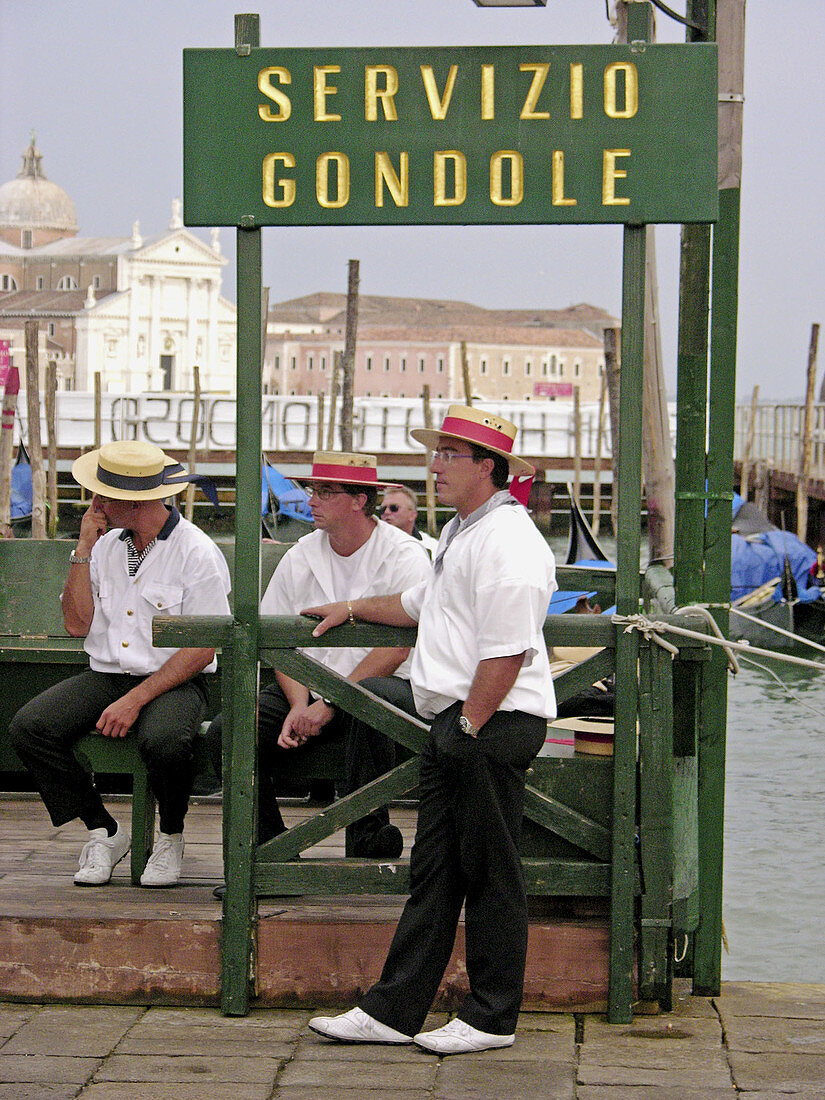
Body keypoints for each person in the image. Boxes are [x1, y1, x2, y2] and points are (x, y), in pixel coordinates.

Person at [304, 405, 557, 1056]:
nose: (434, 465)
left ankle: (492, 1016)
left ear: (488, 468)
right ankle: (393, 1009)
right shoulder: (463, 533)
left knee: (490, 873)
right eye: (436, 452)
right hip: (461, 719)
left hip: (490, 722)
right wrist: (353, 606)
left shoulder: (507, 540)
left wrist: (468, 725)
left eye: (449, 455)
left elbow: (508, 650)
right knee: (436, 871)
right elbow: (416, 607)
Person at [9, 441, 231, 888]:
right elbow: (77, 624)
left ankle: (170, 836)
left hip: (173, 682)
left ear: (135, 500)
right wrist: (82, 548)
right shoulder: (106, 545)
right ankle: (105, 831)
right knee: (30, 728)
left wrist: (136, 699)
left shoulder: (197, 552)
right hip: (107, 674)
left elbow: (203, 648)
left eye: (104, 493)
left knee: (166, 742)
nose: (97, 502)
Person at [205, 450, 431, 867]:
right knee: (228, 730)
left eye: (325, 492)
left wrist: (329, 704)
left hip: (383, 688)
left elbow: (397, 648)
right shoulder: (301, 554)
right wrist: (298, 703)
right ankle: (270, 848)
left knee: (372, 700)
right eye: (313, 490)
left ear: (359, 500)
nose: (311, 500)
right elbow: (275, 641)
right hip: (308, 688)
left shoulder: (405, 555)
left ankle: (368, 836)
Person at [379, 485, 438, 557]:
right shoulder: (371, 546)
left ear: (412, 515)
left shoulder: (432, 547)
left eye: (394, 508)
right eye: (383, 508)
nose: (386, 512)